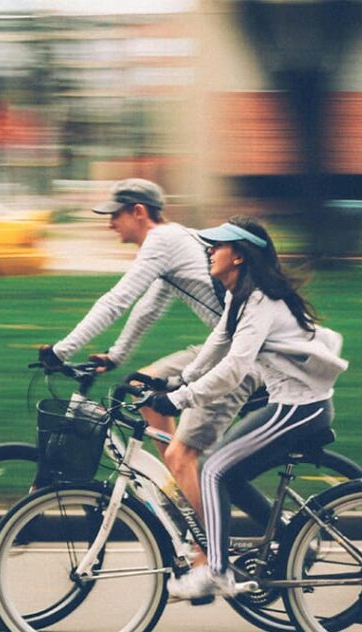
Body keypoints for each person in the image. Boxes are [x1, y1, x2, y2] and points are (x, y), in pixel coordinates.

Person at [148, 216, 348, 599]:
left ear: (238, 256)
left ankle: (217, 570)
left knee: (213, 471)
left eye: (217, 246)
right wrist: (178, 380)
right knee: (230, 475)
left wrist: (178, 399)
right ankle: (290, 538)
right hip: (290, 406)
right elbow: (217, 345)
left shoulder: (261, 301)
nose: (209, 251)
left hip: (299, 409)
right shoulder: (242, 297)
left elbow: (234, 368)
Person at [38, 178, 261, 516]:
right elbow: (148, 308)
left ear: (138, 212)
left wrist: (62, 351)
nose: (110, 223)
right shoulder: (173, 241)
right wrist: (116, 356)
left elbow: (118, 300)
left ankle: (208, 549)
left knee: (183, 455)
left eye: (115, 215)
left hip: (242, 356)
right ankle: (181, 491)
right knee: (141, 385)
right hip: (224, 345)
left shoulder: (161, 240)